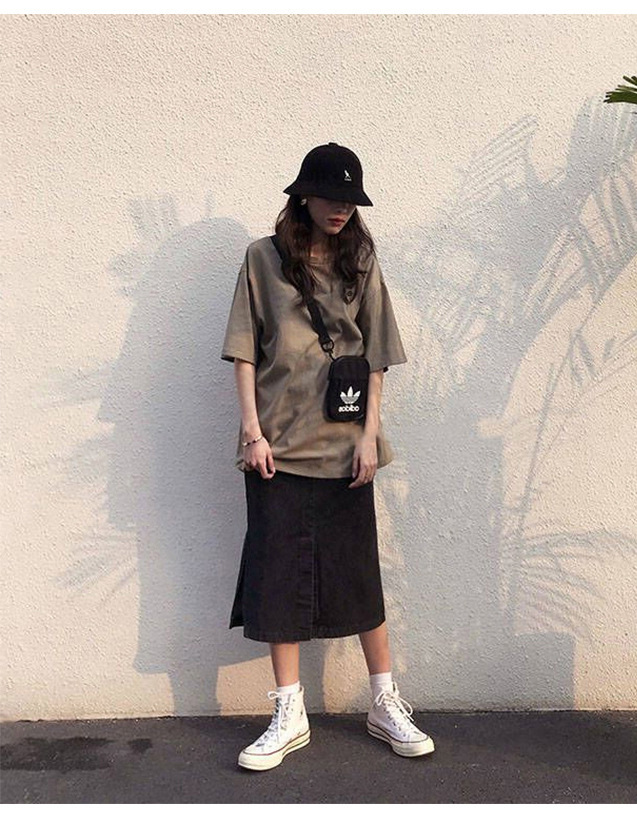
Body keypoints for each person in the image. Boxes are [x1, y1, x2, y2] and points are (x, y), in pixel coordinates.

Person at [220, 142, 435, 771]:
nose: (342, 209)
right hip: (278, 448)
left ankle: (384, 701)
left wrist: (370, 434)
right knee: (278, 582)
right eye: (331, 197)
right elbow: (244, 351)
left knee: (358, 577)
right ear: (304, 196)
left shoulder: (360, 261)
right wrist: (251, 433)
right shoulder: (263, 259)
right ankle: (289, 711)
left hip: (345, 451)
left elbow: (375, 356)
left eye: (351, 200)